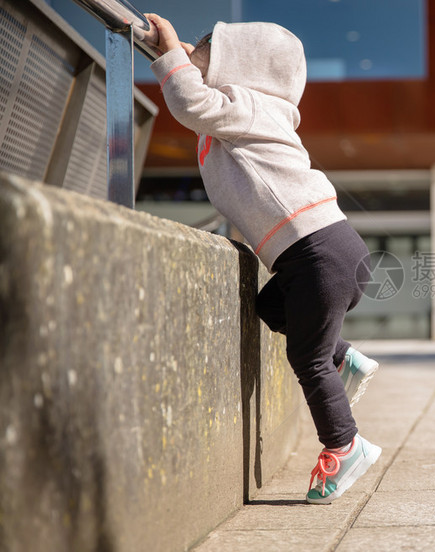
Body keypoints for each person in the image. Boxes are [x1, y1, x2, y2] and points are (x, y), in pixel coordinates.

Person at [141, 14, 381, 504]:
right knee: (271, 310)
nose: (195, 51)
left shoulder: (246, 105)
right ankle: (346, 358)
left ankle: (346, 443)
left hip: (318, 252)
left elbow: (190, 100)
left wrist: (169, 55)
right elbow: (201, 87)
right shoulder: (249, 106)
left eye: (207, 46)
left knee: (306, 359)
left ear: (241, 68)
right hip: (317, 253)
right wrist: (191, 58)